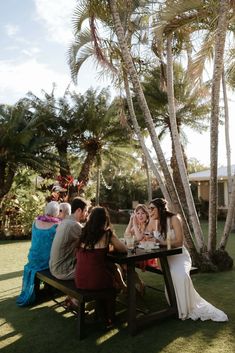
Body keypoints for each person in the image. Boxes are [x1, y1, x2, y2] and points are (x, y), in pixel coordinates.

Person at [149, 197, 228, 322]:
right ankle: (175, 306)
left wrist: (160, 242)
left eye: (152, 208)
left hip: (180, 257)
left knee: (180, 275)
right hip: (166, 259)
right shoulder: (153, 221)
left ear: (160, 208)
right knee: (170, 275)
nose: (150, 211)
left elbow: (179, 242)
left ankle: (184, 308)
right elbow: (146, 236)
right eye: (149, 209)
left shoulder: (174, 219)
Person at [74, 206, 127, 325]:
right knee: (110, 285)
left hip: (80, 280)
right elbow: (123, 249)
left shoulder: (84, 232)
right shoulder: (107, 234)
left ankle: (101, 315)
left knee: (104, 270)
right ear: (105, 220)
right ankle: (111, 318)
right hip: (96, 281)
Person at [16, 201, 60, 306]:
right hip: (46, 261)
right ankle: (51, 289)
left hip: (33, 257)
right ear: (57, 212)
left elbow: (33, 241)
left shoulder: (35, 222)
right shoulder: (57, 225)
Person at [49, 197, 89, 280]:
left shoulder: (64, 221)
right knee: (95, 268)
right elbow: (90, 241)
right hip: (63, 271)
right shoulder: (74, 225)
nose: (87, 214)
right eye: (85, 211)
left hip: (54, 268)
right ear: (78, 210)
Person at [124, 204, 158, 294]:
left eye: (142, 213)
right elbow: (127, 234)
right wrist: (131, 221)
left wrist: (134, 224)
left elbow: (139, 238)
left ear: (147, 215)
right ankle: (135, 285)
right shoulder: (138, 225)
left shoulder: (148, 225)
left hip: (149, 255)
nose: (140, 215)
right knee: (124, 263)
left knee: (125, 263)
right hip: (140, 253)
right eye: (138, 213)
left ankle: (135, 285)